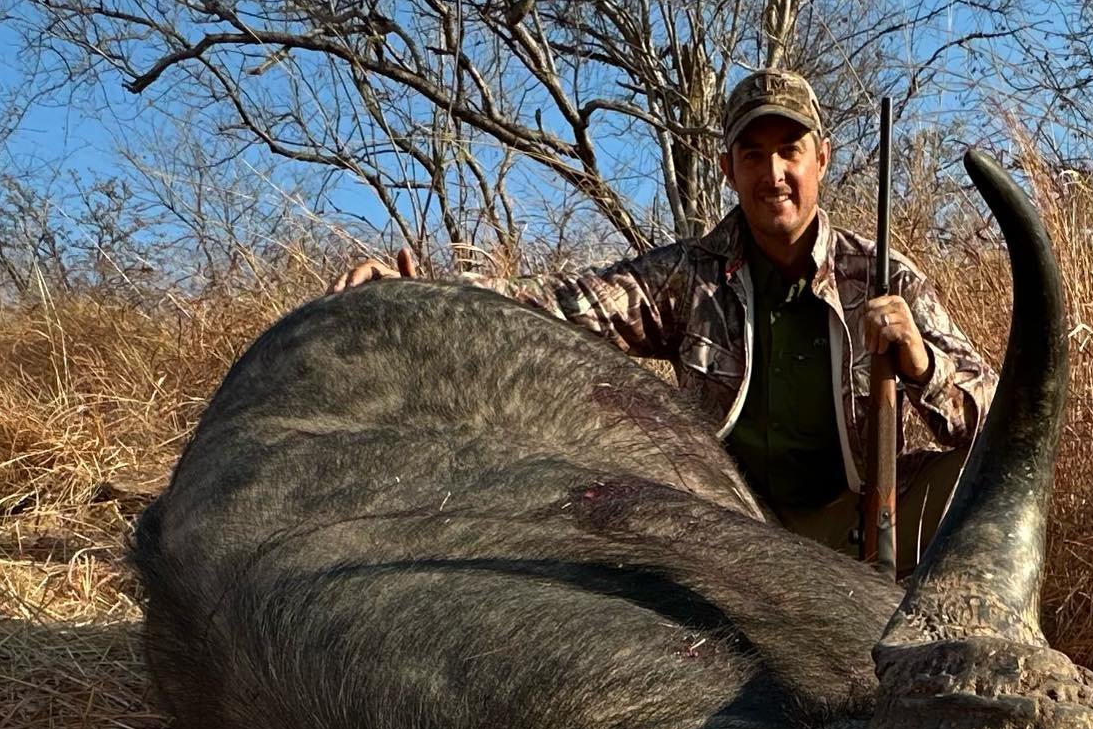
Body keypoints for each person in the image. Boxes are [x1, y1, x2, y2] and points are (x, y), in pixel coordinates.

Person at [334, 70, 997, 575]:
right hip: (740, 533)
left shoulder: (883, 275)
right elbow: (568, 305)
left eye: (790, 150)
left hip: (863, 518)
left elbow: (992, 413)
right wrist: (424, 295)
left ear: (821, 157)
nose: (774, 174)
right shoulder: (693, 274)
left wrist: (920, 363)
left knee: (985, 483)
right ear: (727, 171)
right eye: (753, 155)